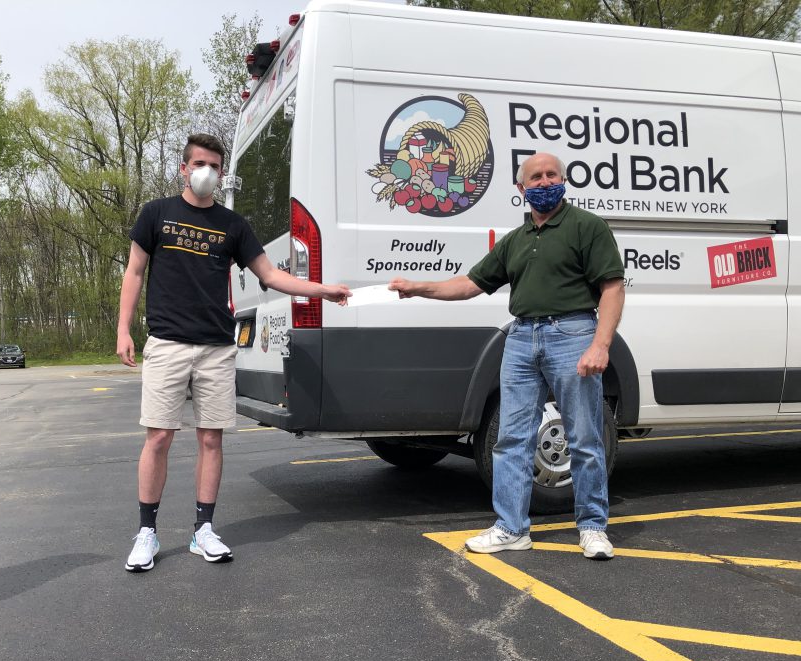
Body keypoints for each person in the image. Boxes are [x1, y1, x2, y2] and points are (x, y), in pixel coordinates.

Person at [117, 133, 351, 572]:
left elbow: (271, 275)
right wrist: (122, 329)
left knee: (211, 438)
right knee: (159, 436)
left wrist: (322, 289)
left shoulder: (233, 225)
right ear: (183, 168)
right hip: (166, 342)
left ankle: (203, 530)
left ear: (222, 173)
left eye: (215, 166)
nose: (207, 172)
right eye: (199, 163)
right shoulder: (156, 214)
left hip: (216, 347)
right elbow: (134, 271)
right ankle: (146, 532)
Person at [389, 152, 625, 560]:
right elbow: (469, 284)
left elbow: (612, 286)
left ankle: (592, 527)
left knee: (584, 437)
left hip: (572, 333)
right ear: (521, 188)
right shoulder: (516, 241)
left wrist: (600, 344)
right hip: (520, 338)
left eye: (552, 174)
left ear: (563, 180)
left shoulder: (587, 226)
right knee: (511, 438)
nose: (545, 181)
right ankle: (511, 528)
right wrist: (420, 287)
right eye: (535, 177)